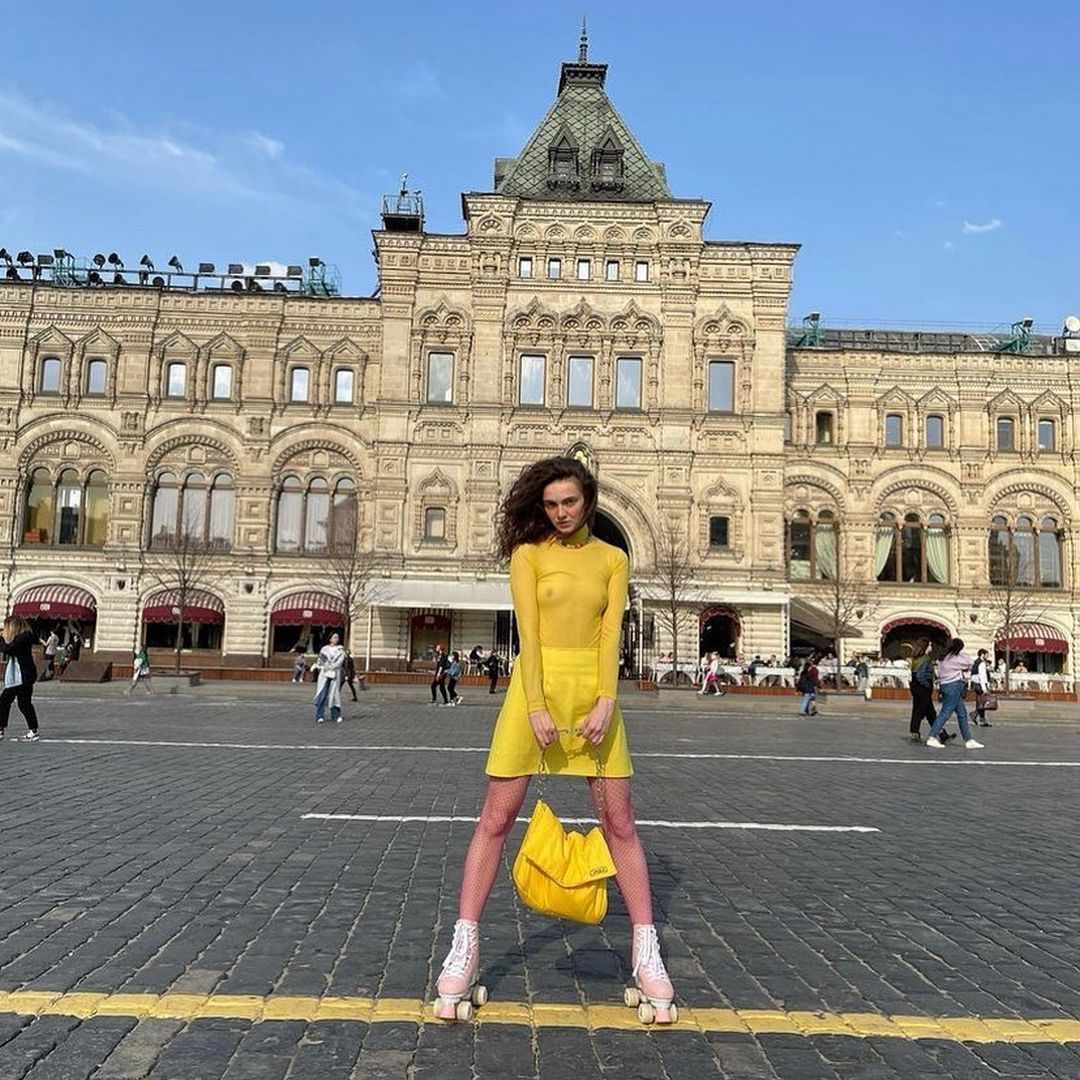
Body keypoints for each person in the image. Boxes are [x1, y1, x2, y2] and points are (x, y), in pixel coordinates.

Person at [433, 456, 676, 1024]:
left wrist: (607, 700)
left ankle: (647, 952)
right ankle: (464, 946)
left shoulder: (613, 558)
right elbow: (530, 635)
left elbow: (611, 635)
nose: (561, 513)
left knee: (620, 823)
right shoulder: (528, 555)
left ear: (587, 500)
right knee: (495, 818)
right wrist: (537, 706)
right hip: (534, 694)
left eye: (569, 502)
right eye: (551, 504)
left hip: (594, 697)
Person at [925, 638, 982, 750]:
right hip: (953, 686)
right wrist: (961, 652)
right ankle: (932, 736)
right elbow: (970, 662)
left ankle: (968, 739)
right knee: (945, 713)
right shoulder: (955, 659)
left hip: (946, 686)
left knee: (962, 714)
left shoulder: (942, 658)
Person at [0, 615, 40, 741]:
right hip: (21, 676)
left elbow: (9, 650)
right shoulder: (22, 637)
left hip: (21, 677)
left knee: (4, 701)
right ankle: (33, 730)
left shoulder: (23, 638)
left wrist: (1, 640)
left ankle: (1, 729)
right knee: (24, 704)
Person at [908, 640, 954, 744]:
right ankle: (937, 734)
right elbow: (920, 675)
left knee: (927, 712)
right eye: (929, 645)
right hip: (923, 689)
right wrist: (927, 685)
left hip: (916, 688)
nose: (931, 646)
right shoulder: (925, 659)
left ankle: (940, 734)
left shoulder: (917, 658)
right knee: (923, 712)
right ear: (925, 647)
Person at [313, 633, 346, 723]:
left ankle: (336, 715)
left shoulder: (340, 650)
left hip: (335, 674)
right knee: (322, 694)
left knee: (334, 694)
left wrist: (331, 667)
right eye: (334, 637)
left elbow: (340, 661)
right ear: (330, 639)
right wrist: (324, 667)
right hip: (325, 674)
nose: (336, 639)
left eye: (337, 637)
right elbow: (320, 660)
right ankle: (319, 715)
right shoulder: (324, 649)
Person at [971, 648, 992, 727]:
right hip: (980, 684)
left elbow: (973, 674)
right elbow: (982, 676)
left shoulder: (976, 662)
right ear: (982, 654)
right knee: (982, 702)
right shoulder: (981, 663)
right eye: (987, 655)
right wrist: (984, 688)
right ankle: (975, 714)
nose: (988, 656)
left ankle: (982, 719)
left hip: (976, 684)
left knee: (980, 701)